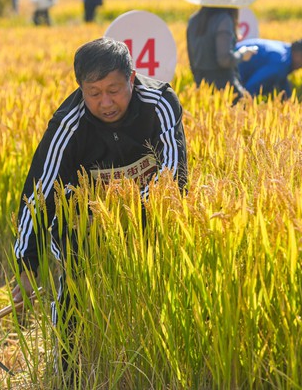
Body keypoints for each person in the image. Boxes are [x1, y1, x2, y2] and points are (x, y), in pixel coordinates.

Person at [11, 37, 188, 376]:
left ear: (132, 79)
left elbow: (173, 174)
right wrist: (28, 262)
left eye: (114, 89)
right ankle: (68, 371)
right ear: (81, 89)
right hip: (84, 222)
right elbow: (40, 191)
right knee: (74, 295)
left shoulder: (160, 102)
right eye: (94, 93)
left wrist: (137, 224)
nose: (106, 102)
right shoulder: (69, 124)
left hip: (149, 215)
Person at [184, 0, 261, 102]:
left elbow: (192, 58)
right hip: (226, 88)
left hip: (201, 86)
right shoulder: (224, 20)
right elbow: (225, 60)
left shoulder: (194, 20)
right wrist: (243, 53)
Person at [236, 37, 302, 99]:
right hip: (228, 70)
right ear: (299, 55)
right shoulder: (280, 62)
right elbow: (250, 88)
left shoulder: (285, 51)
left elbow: (283, 83)